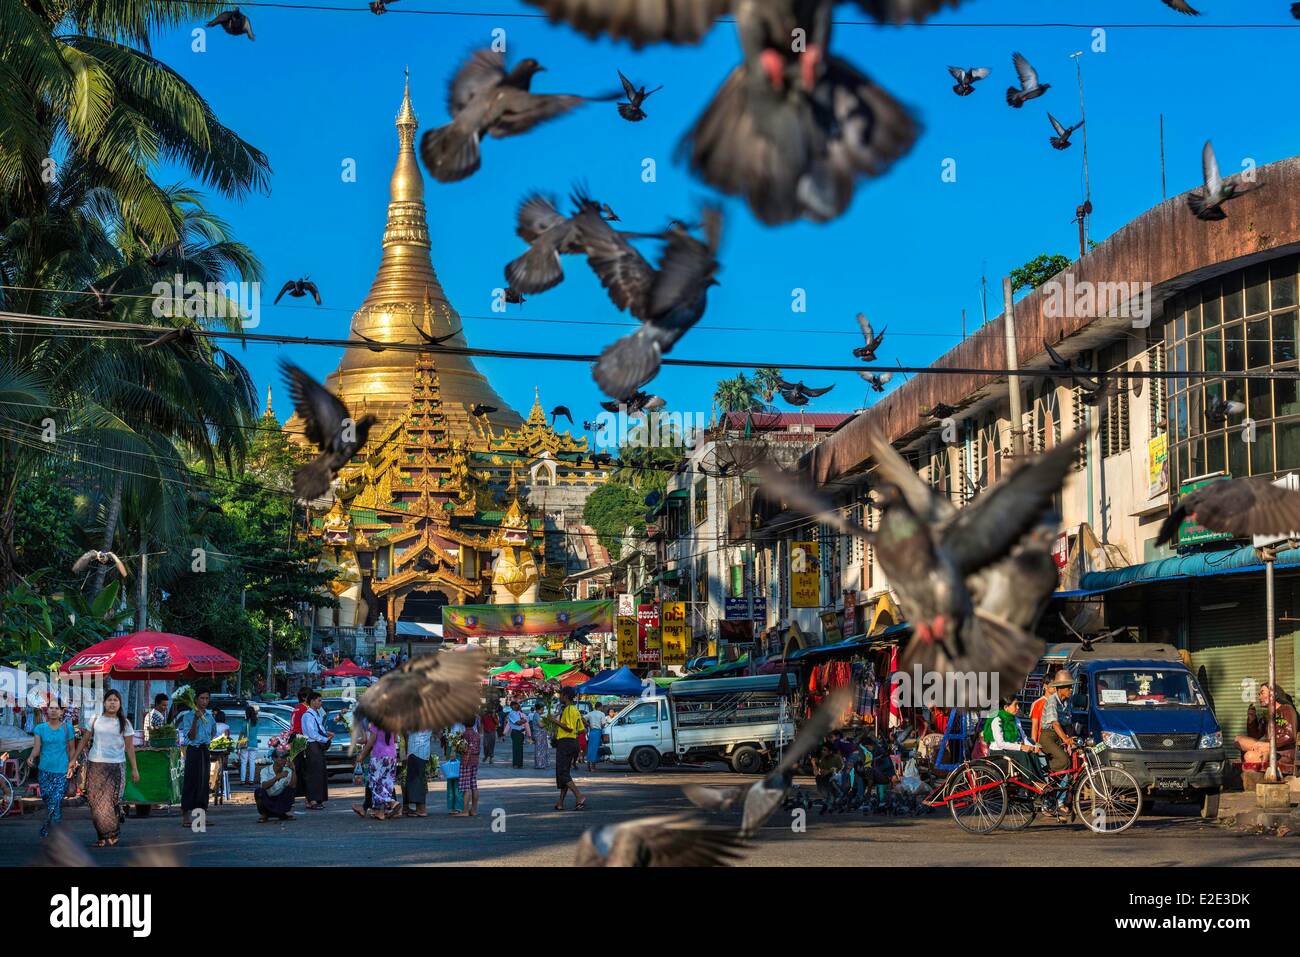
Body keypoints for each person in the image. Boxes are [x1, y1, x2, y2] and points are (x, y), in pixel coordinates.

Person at [70, 689, 139, 848]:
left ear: (120, 703)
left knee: (110, 801)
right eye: (110, 700)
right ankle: (102, 837)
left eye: (116, 700)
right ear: (104, 702)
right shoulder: (95, 719)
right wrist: (73, 759)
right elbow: (84, 740)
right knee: (95, 802)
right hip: (95, 765)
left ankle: (112, 834)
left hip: (116, 766)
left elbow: (129, 747)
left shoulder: (125, 723)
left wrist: (134, 769)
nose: (112, 703)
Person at [27, 701, 75, 838]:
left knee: (57, 799)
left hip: (61, 770)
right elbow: (37, 749)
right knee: (47, 798)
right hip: (44, 770)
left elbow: (72, 749)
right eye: (51, 708)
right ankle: (52, 826)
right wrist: (31, 757)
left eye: (57, 708)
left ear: (61, 712)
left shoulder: (68, 728)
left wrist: (71, 765)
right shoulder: (40, 728)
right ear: (46, 711)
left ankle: (54, 832)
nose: (53, 710)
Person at [1039, 670, 1077, 818]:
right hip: (1048, 737)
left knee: (1069, 768)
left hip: (1059, 737)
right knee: (1064, 761)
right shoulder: (1052, 701)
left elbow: (1067, 724)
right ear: (1060, 688)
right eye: (1068, 687)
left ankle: (1058, 798)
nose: (1070, 690)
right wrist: (1066, 739)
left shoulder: (1066, 703)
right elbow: (1055, 723)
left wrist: (1072, 740)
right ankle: (1043, 773)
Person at [1237, 682, 1298, 774]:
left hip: (1282, 752)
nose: (1259, 697)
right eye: (1259, 694)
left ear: (1274, 694)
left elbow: (1289, 735)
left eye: (1262, 693)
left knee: (1249, 756)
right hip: (1266, 747)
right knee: (1238, 740)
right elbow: (1255, 735)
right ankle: (1261, 752)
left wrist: (1268, 745)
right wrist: (1252, 720)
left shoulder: (1286, 709)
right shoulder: (1267, 715)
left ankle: (1261, 753)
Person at [177, 690, 216, 827]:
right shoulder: (188, 716)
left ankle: (201, 817)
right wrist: (196, 719)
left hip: (204, 751)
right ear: (196, 700)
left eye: (206, 698)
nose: (204, 701)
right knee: (190, 781)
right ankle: (185, 816)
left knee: (203, 783)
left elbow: (212, 733)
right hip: (193, 751)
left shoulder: (210, 717)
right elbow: (191, 736)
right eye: (201, 698)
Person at [983, 696, 1042, 779]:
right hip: (999, 752)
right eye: (1015, 705)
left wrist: (1032, 747)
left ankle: (1040, 780)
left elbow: (1024, 738)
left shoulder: (1016, 719)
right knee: (1022, 754)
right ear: (1006, 707)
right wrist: (1021, 747)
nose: (1018, 707)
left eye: (1018, 705)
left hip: (1011, 750)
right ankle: (1031, 783)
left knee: (1033, 754)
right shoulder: (997, 720)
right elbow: (1000, 744)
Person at [353, 724, 399, 820]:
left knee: (375, 783)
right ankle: (380, 812)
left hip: (379, 755)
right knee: (386, 783)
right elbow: (395, 739)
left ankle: (392, 802)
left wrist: (362, 755)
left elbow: (371, 741)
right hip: (392, 755)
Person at [553, 688, 586, 811]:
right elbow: (582, 729)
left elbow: (569, 728)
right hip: (574, 742)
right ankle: (560, 802)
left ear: (565, 696)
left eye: (560, 695)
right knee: (565, 773)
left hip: (565, 743)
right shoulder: (575, 710)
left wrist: (554, 721)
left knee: (562, 773)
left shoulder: (568, 709)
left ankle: (579, 795)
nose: (559, 697)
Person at [300, 691, 333, 809]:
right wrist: (324, 738)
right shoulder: (307, 715)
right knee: (313, 773)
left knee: (320, 773)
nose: (321, 703)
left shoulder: (316, 714)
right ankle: (312, 800)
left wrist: (326, 735)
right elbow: (312, 733)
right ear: (312, 701)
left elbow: (320, 728)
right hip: (312, 745)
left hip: (317, 746)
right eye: (319, 700)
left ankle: (318, 799)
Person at [255, 749, 296, 822]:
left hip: (280, 798)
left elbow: (292, 786)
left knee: (289, 790)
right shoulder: (265, 770)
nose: (285, 760)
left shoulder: (287, 770)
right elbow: (264, 786)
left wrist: (293, 771)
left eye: (286, 758)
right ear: (274, 759)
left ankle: (283, 813)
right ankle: (264, 814)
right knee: (259, 791)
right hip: (268, 798)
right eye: (282, 757)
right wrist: (277, 777)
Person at [454, 718, 481, 818]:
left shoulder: (464, 734)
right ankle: (474, 810)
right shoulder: (477, 734)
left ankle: (465, 810)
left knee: (466, 787)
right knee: (474, 785)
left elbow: (462, 748)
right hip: (475, 760)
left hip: (466, 761)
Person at [403, 729, 433, 817]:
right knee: (418, 779)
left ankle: (421, 809)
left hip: (417, 750)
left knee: (417, 780)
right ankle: (419, 808)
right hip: (421, 749)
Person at [289, 688, 310, 797]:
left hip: (294, 737)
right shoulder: (305, 709)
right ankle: (300, 790)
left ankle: (297, 789)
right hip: (301, 737)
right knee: (302, 766)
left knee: (296, 765)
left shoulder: (296, 708)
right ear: (304, 697)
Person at [506, 700, 529, 768]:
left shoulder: (519, 713)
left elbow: (525, 720)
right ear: (512, 706)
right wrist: (523, 720)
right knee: (516, 748)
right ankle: (516, 764)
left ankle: (520, 763)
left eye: (517, 705)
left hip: (521, 732)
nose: (517, 706)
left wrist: (522, 720)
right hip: (515, 732)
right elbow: (518, 723)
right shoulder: (511, 714)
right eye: (516, 705)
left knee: (520, 749)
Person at [584, 701, 605, 772]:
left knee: (590, 748)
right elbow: (603, 724)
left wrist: (588, 724)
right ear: (600, 706)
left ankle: (588, 766)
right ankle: (593, 767)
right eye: (602, 707)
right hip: (598, 732)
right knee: (595, 750)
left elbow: (582, 718)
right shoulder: (602, 714)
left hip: (592, 732)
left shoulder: (590, 713)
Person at [529, 703, 550, 769]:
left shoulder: (538, 715)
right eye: (542, 709)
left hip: (541, 734)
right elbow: (540, 725)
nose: (543, 710)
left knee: (542, 749)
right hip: (539, 734)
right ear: (539, 709)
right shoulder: (537, 715)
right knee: (540, 750)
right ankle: (540, 764)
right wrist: (547, 721)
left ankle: (542, 763)